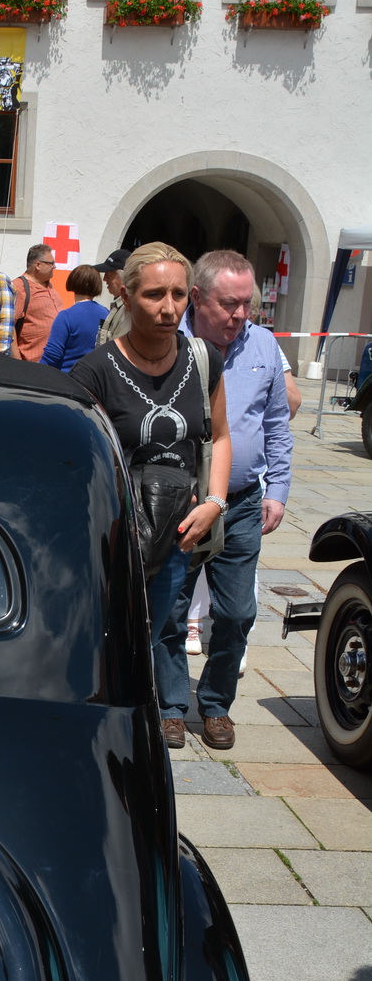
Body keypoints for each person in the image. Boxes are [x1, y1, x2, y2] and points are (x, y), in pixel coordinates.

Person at [71, 241, 231, 749]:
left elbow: (220, 436)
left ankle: (135, 735)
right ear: (126, 293)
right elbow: (79, 461)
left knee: (152, 636)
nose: (169, 308)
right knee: (108, 642)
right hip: (116, 538)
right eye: (155, 294)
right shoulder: (94, 370)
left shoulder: (203, 359)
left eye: (179, 294)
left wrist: (215, 502)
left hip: (177, 538)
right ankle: (101, 736)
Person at [155, 250, 293, 751]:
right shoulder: (169, 345)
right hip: (182, 505)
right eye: (228, 304)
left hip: (241, 504)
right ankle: (170, 707)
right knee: (170, 611)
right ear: (197, 298)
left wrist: (277, 490)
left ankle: (215, 704)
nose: (240, 315)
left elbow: (277, 424)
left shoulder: (262, 345)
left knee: (236, 613)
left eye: (247, 305)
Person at [40, 264, 106, 371]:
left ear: (73, 281)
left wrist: (37, 372)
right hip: (92, 378)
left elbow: (52, 355)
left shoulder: (66, 316)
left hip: (65, 378)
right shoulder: (106, 314)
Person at [12, 244, 63, 362]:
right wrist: (17, 362)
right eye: (51, 263)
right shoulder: (19, 288)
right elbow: (9, 327)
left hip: (53, 363)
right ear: (38, 265)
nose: (54, 267)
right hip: (31, 364)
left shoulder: (49, 285)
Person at [95, 249, 131, 345]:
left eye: (109, 274)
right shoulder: (119, 304)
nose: (104, 279)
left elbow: (120, 350)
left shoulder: (128, 308)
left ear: (123, 276)